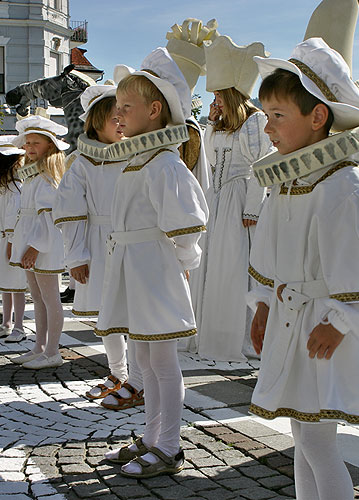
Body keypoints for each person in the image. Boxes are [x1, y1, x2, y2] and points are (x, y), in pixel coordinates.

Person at [247, 38, 359, 499]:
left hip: (323, 324)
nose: (268, 127)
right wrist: (261, 306)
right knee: (302, 432)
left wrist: (340, 321)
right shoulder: (286, 182)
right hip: (290, 319)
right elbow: (268, 251)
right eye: (266, 114)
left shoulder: (344, 187)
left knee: (316, 438)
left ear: (318, 117)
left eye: (279, 115)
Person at [98, 48, 208, 478]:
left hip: (155, 270)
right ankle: (150, 437)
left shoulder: (165, 163)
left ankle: (169, 445)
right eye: (117, 107)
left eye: (127, 107)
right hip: (135, 268)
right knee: (143, 363)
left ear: (155, 110)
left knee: (162, 364)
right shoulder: (137, 160)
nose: (118, 114)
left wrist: (180, 263)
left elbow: (187, 223)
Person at [54, 84, 144, 409]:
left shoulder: (138, 154)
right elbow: (70, 213)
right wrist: (76, 255)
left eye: (124, 116)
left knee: (134, 314)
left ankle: (140, 379)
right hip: (98, 243)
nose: (120, 123)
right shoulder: (81, 163)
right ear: (94, 122)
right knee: (108, 315)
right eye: (112, 117)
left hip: (133, 243)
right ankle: (118, 372)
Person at [187, 34, 273, 362]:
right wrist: (211, 122)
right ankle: (205, 329)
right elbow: (209, 159)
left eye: (219, 97)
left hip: (238, 200)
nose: (217, 102)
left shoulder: (255, 122)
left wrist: (253, 207)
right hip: (217, 198)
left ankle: (236, 335)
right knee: (210, 265)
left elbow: (259, 168)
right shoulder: (221, 125)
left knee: (233, 267)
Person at [8, 115, 68, 370]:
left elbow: (48, 216)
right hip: (30, 240)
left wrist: (34, 246)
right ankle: (40, 346)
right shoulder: (32, 175)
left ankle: (53, 350)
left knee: (50, 298)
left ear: (50, 146)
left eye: (36, 143)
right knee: (38, 296)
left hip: (43, 244)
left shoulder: (46, 176)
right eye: (28, 143)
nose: (29, 147)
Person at [0, 136, 28, 342]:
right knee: (4, 284)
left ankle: (19, 326)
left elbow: (15, 217)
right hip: (1, 238)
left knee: (16, 284)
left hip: (12, 240)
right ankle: (5, 323)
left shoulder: (16, 186)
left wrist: (11, 242)